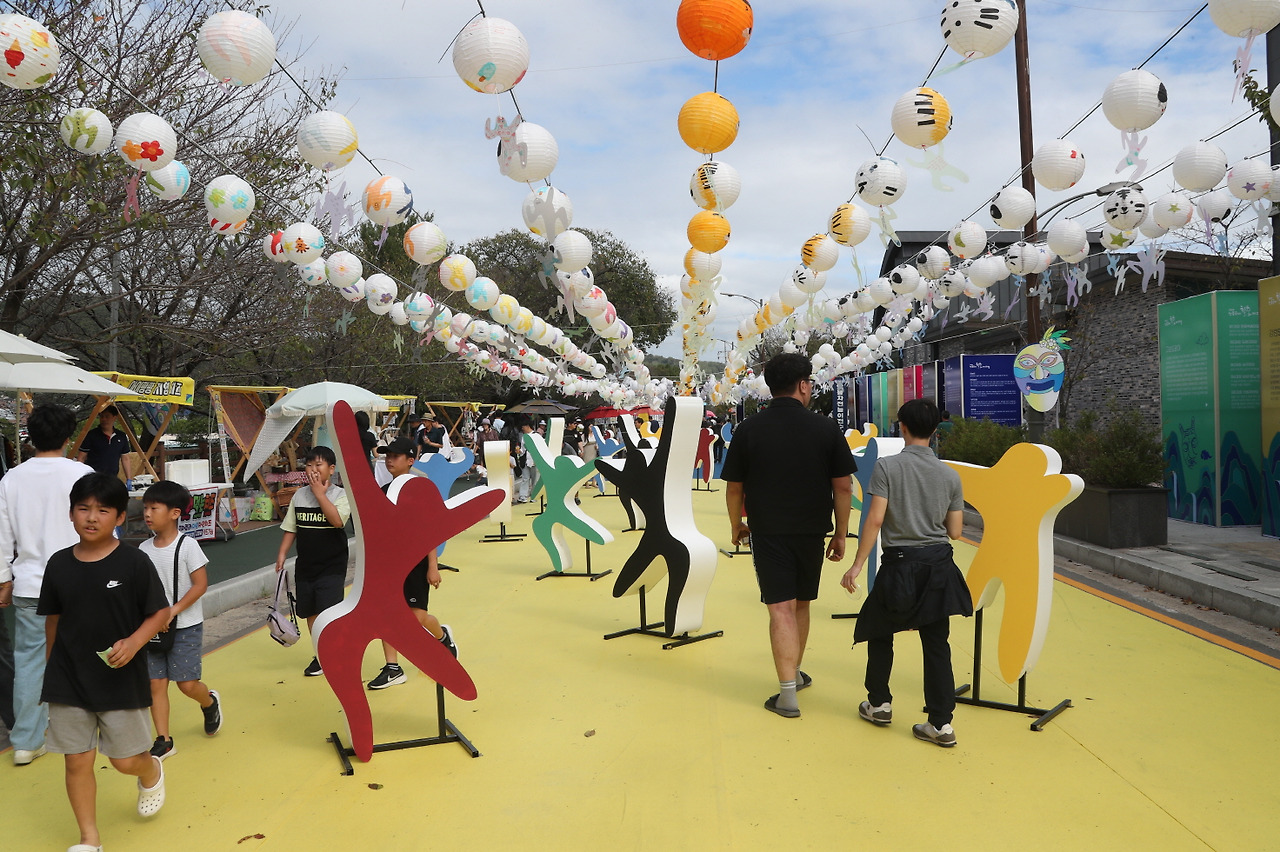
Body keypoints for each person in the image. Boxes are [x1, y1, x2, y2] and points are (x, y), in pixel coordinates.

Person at [38, 473, 171, 849]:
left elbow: (160, 612)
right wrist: (50, 670)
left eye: (102, 510)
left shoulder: (134, 561)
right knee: (76, 760)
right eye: (83, 509)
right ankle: (89, 838)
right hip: (68, 677)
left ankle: (151, 770)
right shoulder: (58, 564)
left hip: (120, 677)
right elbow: (53, 620)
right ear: (71, 514)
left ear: (119, 517)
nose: (92, 517)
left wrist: (134, 642)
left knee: (125, 761)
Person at [721, 353, 857, 719]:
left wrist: (736, 524)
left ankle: (787, 696)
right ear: (802, 385)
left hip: (768, 531)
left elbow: (734, 487)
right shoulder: (826, 428)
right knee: (801, 604)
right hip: (812, 531)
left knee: (779, 608)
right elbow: (843, 487)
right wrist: (840, 533)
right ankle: (794, 673)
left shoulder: (749, 429)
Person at [841, 398, 973, 748]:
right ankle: (941, 724)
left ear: (902, 427)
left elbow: (875, 519)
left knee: (880, 630)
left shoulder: (887, 467)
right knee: (937, 643)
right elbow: (956, 531)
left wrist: (857, 564)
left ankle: (879, 704)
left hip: (899, 564)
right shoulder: (950, 476)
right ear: (935, 430)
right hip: (938, 566)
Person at [0, 403, 94, 765]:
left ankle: (26, 741)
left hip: (30, 586)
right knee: (86, 653)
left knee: (29, 663)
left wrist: (4, 579)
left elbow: (2, 537)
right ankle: (87, 729)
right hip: (80, 580)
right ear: (69, 437)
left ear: (30, 438)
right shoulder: (82, 473)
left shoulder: (12, 478)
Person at [366, 439, 458, 690]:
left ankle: (441, 635)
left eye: (395, 456)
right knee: (389, 616)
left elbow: (429, 531)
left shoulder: (419, 490)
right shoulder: (384, 491)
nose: (389, 460)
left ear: (410, 461)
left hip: (416, 564)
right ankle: (393, 668)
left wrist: (432, 566)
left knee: (415, 618)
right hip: (390, 565)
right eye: (387, 456)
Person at [139, 480, 222, 760]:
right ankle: (164, 740)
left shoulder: (188, 546)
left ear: (175, 513)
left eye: (154, 508)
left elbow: (200, 585)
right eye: (145, 508)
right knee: (156, 684)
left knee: (186, 684)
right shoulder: (143, 549)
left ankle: (209, 702)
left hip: (185, 626)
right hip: (152, 627)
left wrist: (172, 611)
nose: (147, 513)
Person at [274, 446, 351, 677]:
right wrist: (282, 553)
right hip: (306, 566)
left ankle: (334, 652)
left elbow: (337, 521)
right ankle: (320, 653)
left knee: (328, 611)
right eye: (309, 465)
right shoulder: (299, 496)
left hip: (332, 566)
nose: (313, 470)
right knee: (311, 613)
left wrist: (320, 494)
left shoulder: (341, 495)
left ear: (331, 469)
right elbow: (291, 527)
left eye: (318, 465)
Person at [77, 405, 132, 477]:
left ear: (114, 417)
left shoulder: (121, 436)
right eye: (101, 416)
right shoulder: (91, 435)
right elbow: (81, 457)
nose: (104, 419)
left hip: (112, 477)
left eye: (107, 416)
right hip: (93, 476)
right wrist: (78, 476)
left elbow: (125, 459)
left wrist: (129, 478)